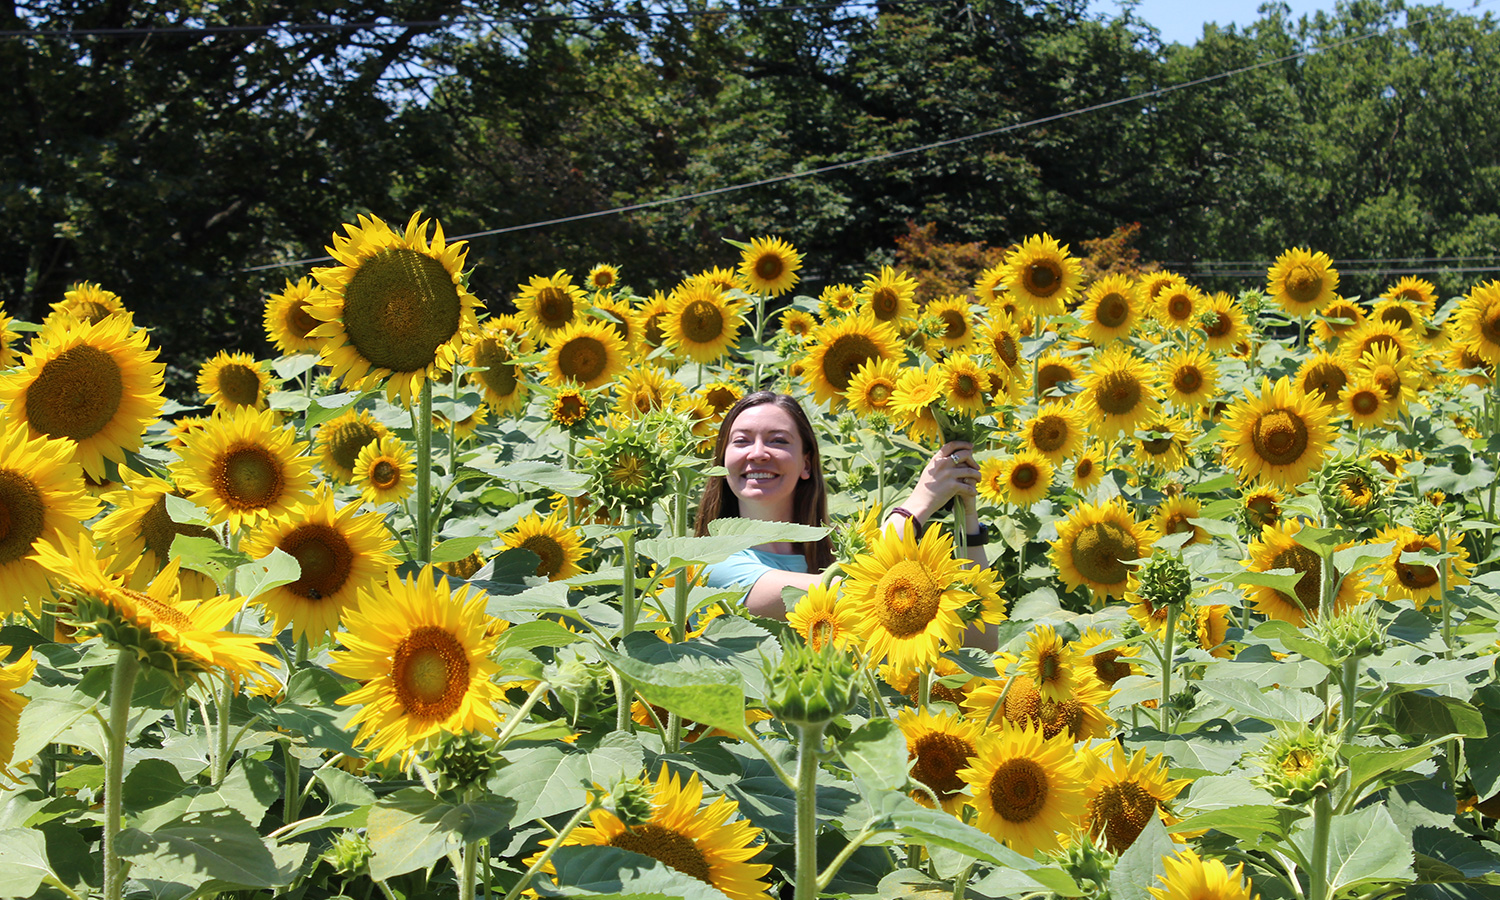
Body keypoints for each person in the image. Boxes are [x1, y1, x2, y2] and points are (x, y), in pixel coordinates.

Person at [696, 391, 995, 649]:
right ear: (723, 461)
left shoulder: (841, 552)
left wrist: (967, 516)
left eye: (778, 441)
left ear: (806, 464)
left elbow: (980, 642)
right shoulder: (713, 565)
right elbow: (859, 590)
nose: (758, 453)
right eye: (741, 441)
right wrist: (920, 503)